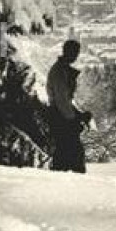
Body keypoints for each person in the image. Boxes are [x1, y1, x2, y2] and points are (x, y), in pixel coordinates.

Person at [46, 39, 92, 173]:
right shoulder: (60, 71)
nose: (76, 56)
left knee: (66, 155)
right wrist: (74, 119)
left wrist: (78, 114)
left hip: (61, 116)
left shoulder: (62, 69)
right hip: (60, 118)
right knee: (72, 155)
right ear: (68, 52)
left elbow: (65, 100)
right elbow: (61, 100)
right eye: (75, 52)